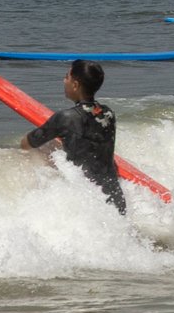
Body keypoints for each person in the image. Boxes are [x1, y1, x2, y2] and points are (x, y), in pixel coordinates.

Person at [19, 59, 125, 213]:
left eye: (66, 77)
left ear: (75, 85)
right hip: (115, 197)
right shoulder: (108, 113)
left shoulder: (65, 118)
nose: (64, 80)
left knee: (41, 149)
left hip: (87, 200)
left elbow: (27, 144)